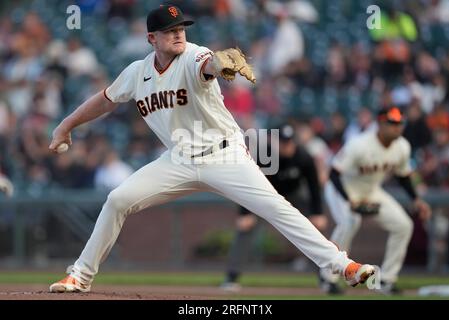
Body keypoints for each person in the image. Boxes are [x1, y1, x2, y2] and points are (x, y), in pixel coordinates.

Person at [48, 5, 375, 293]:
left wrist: (220, 65)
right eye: (169, 31)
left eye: (180, 29)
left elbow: (210, 63)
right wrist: (66, 125)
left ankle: (341, 265)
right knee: (117, 199)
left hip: (225, 155)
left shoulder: (192, 54)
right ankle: (80, 276)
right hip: (178, 160)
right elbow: (104, 100)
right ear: (152, 39)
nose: (178, 35)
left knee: (276, 208)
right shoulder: (137, 73)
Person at [320, 106, 431, 295]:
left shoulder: (402, 146)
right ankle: (327, 278)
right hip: (343, 189)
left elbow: (403, 176)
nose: (397, 128)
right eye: (392, 123)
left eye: (400, 124)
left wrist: (416, 199)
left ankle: (387, 279)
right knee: (349, 222)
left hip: (371, 191)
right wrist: (350, 201)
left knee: (403, 225)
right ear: (380, 124)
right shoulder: (360, 144)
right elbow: (334, 173)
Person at [221, 123, 332, 292]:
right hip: (263, 195)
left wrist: (317, 213)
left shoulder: (303, 157)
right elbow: (245, 184)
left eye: (289, 142)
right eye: (282, 142)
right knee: (245, 230)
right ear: (274, 142)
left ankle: (325, 278)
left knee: (314, 229)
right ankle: (231, 277)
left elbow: (313, 186)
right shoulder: (263, 156)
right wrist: (244, 213)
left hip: (292, 195)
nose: (287, 146)